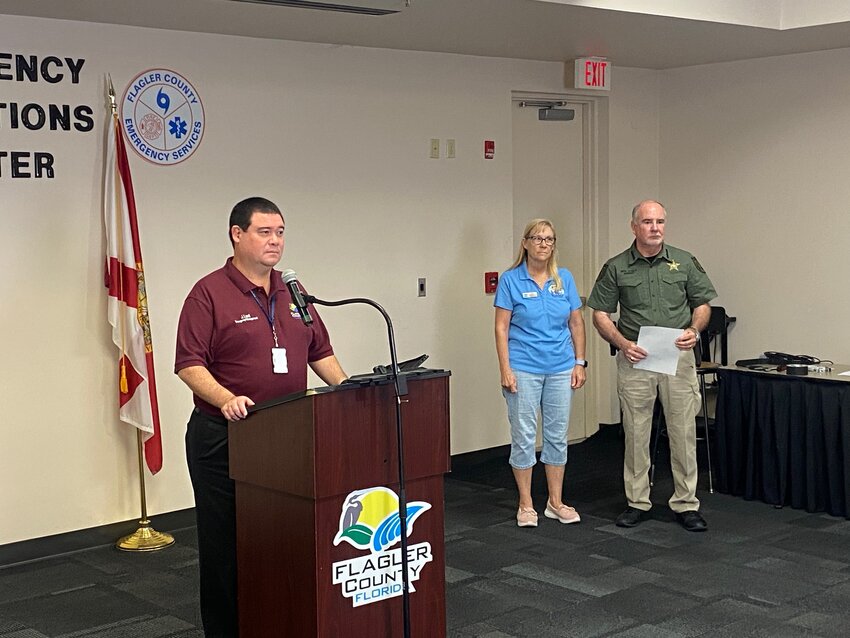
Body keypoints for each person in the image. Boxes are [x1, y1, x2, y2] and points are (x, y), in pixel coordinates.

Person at [174, 197, 347, 636]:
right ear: (237, 234)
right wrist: (226, 397)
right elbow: (188, 363)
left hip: (285, 436)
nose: (275, 242)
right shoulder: (208, 292)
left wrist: (349, 394)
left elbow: (320, 351)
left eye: (281, 232)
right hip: (224, 437)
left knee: (279, 538)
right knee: (226, 545)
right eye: (264, 232)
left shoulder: (294, 290)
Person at [587, 199, 716, 532]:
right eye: (647, 222)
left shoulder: (685, 261)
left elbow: (702, 305)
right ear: (634, 227)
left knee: (683, 432)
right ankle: (637, 502)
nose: (655, 228)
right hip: (637, 358)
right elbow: (599, 313)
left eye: (659, 221)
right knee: (636, 432)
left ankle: (686, 503)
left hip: (677, 357)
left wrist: (693, 329)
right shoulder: (616, 266)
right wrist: (622, 344)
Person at [494, 219, 587, 528]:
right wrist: (505, 369)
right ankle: (525, 504)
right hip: (523, 369)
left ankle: (555, 502)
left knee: (557, 437)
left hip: (561, 368)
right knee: (523, 438)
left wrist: (580, 362)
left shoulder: (564, 279)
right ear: (525, 242)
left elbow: (576, 323)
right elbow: (501, 327)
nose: (544, 244)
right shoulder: (511, 280)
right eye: (538, 238)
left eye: (549, 239)